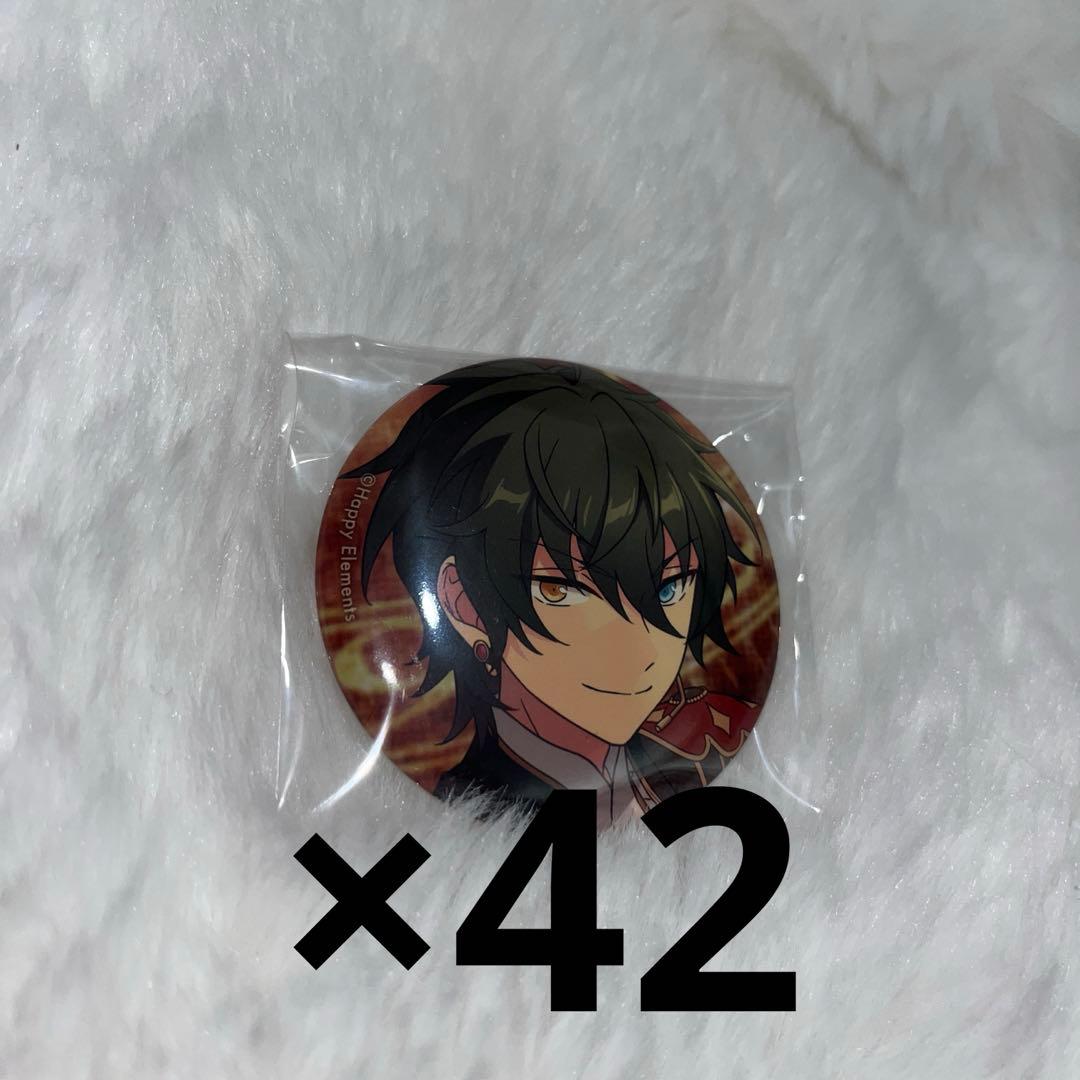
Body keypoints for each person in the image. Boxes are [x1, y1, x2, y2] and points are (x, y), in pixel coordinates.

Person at [345, 359, 761, 828]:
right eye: (563, 590)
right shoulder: (458, 817)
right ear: (465, 604)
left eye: (669, 586)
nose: (638, 652)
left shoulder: (697, 754)